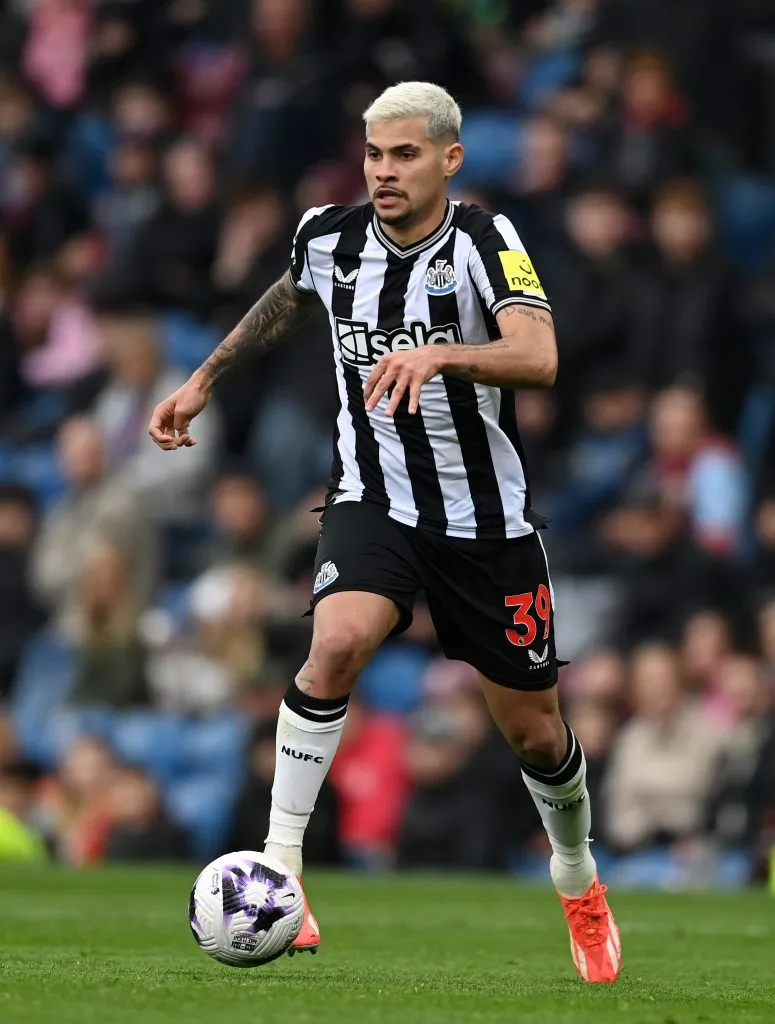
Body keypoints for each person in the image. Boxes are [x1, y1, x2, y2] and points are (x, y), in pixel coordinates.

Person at [148, 81, 621, 983]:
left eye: (404, 155)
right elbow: (287, 299)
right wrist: (203, 377)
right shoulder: (326, 234)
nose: (383, 172)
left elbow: (540, 355)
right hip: (372, 497)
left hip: (486, 524)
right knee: (336, 644)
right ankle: (283, 870)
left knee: (534, 734)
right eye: (373, 154)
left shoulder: (486, 242)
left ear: (449, 159)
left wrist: (440, 351)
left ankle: (577, 878)